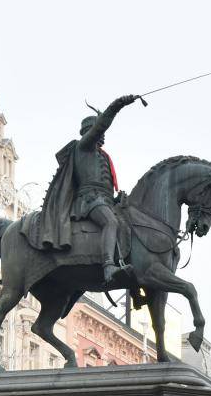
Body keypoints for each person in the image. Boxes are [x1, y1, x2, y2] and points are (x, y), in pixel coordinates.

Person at [33, 92, 142, 282]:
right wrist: (116, 106)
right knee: (111, 222)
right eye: (99, 132)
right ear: (89, 132)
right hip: (88, 200)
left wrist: (116, 199)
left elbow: (104, 185)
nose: (103, 136)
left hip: (103, 200)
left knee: (129, 225)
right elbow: (101, 127)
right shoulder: (82, 147)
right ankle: (108, 266)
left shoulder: (103, 156)